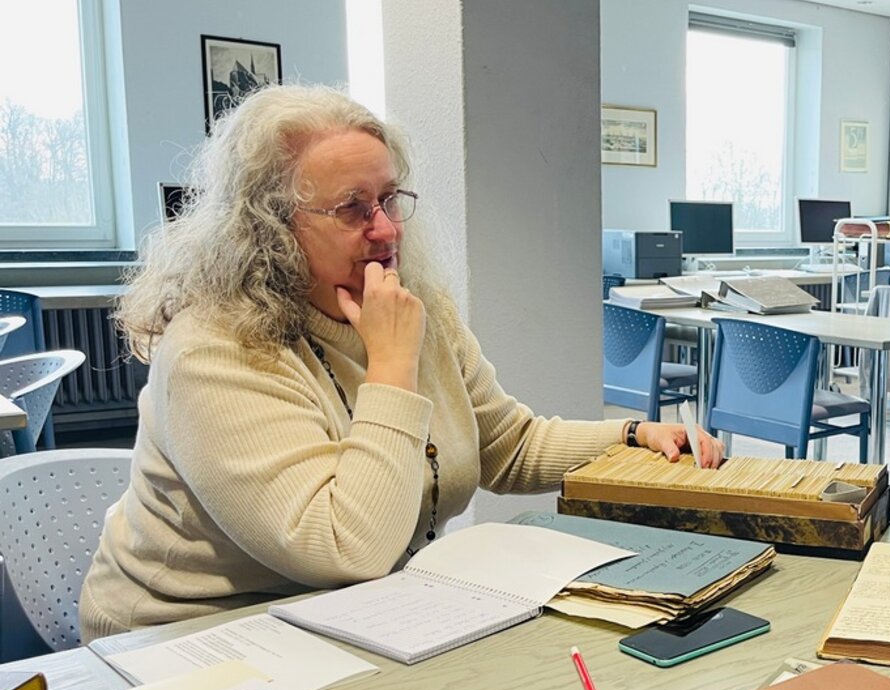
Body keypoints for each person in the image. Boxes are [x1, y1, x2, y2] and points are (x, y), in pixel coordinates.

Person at [79, 85, 722, 640]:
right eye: (352, 209)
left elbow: (507, 445)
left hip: (357, 613)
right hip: (188, 638)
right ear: (270, 227)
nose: (386, 230)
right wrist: (391, 364)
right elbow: (341, 545)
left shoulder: (415, 309)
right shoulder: (213, 348)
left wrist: (633, 436)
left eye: (389, 199)